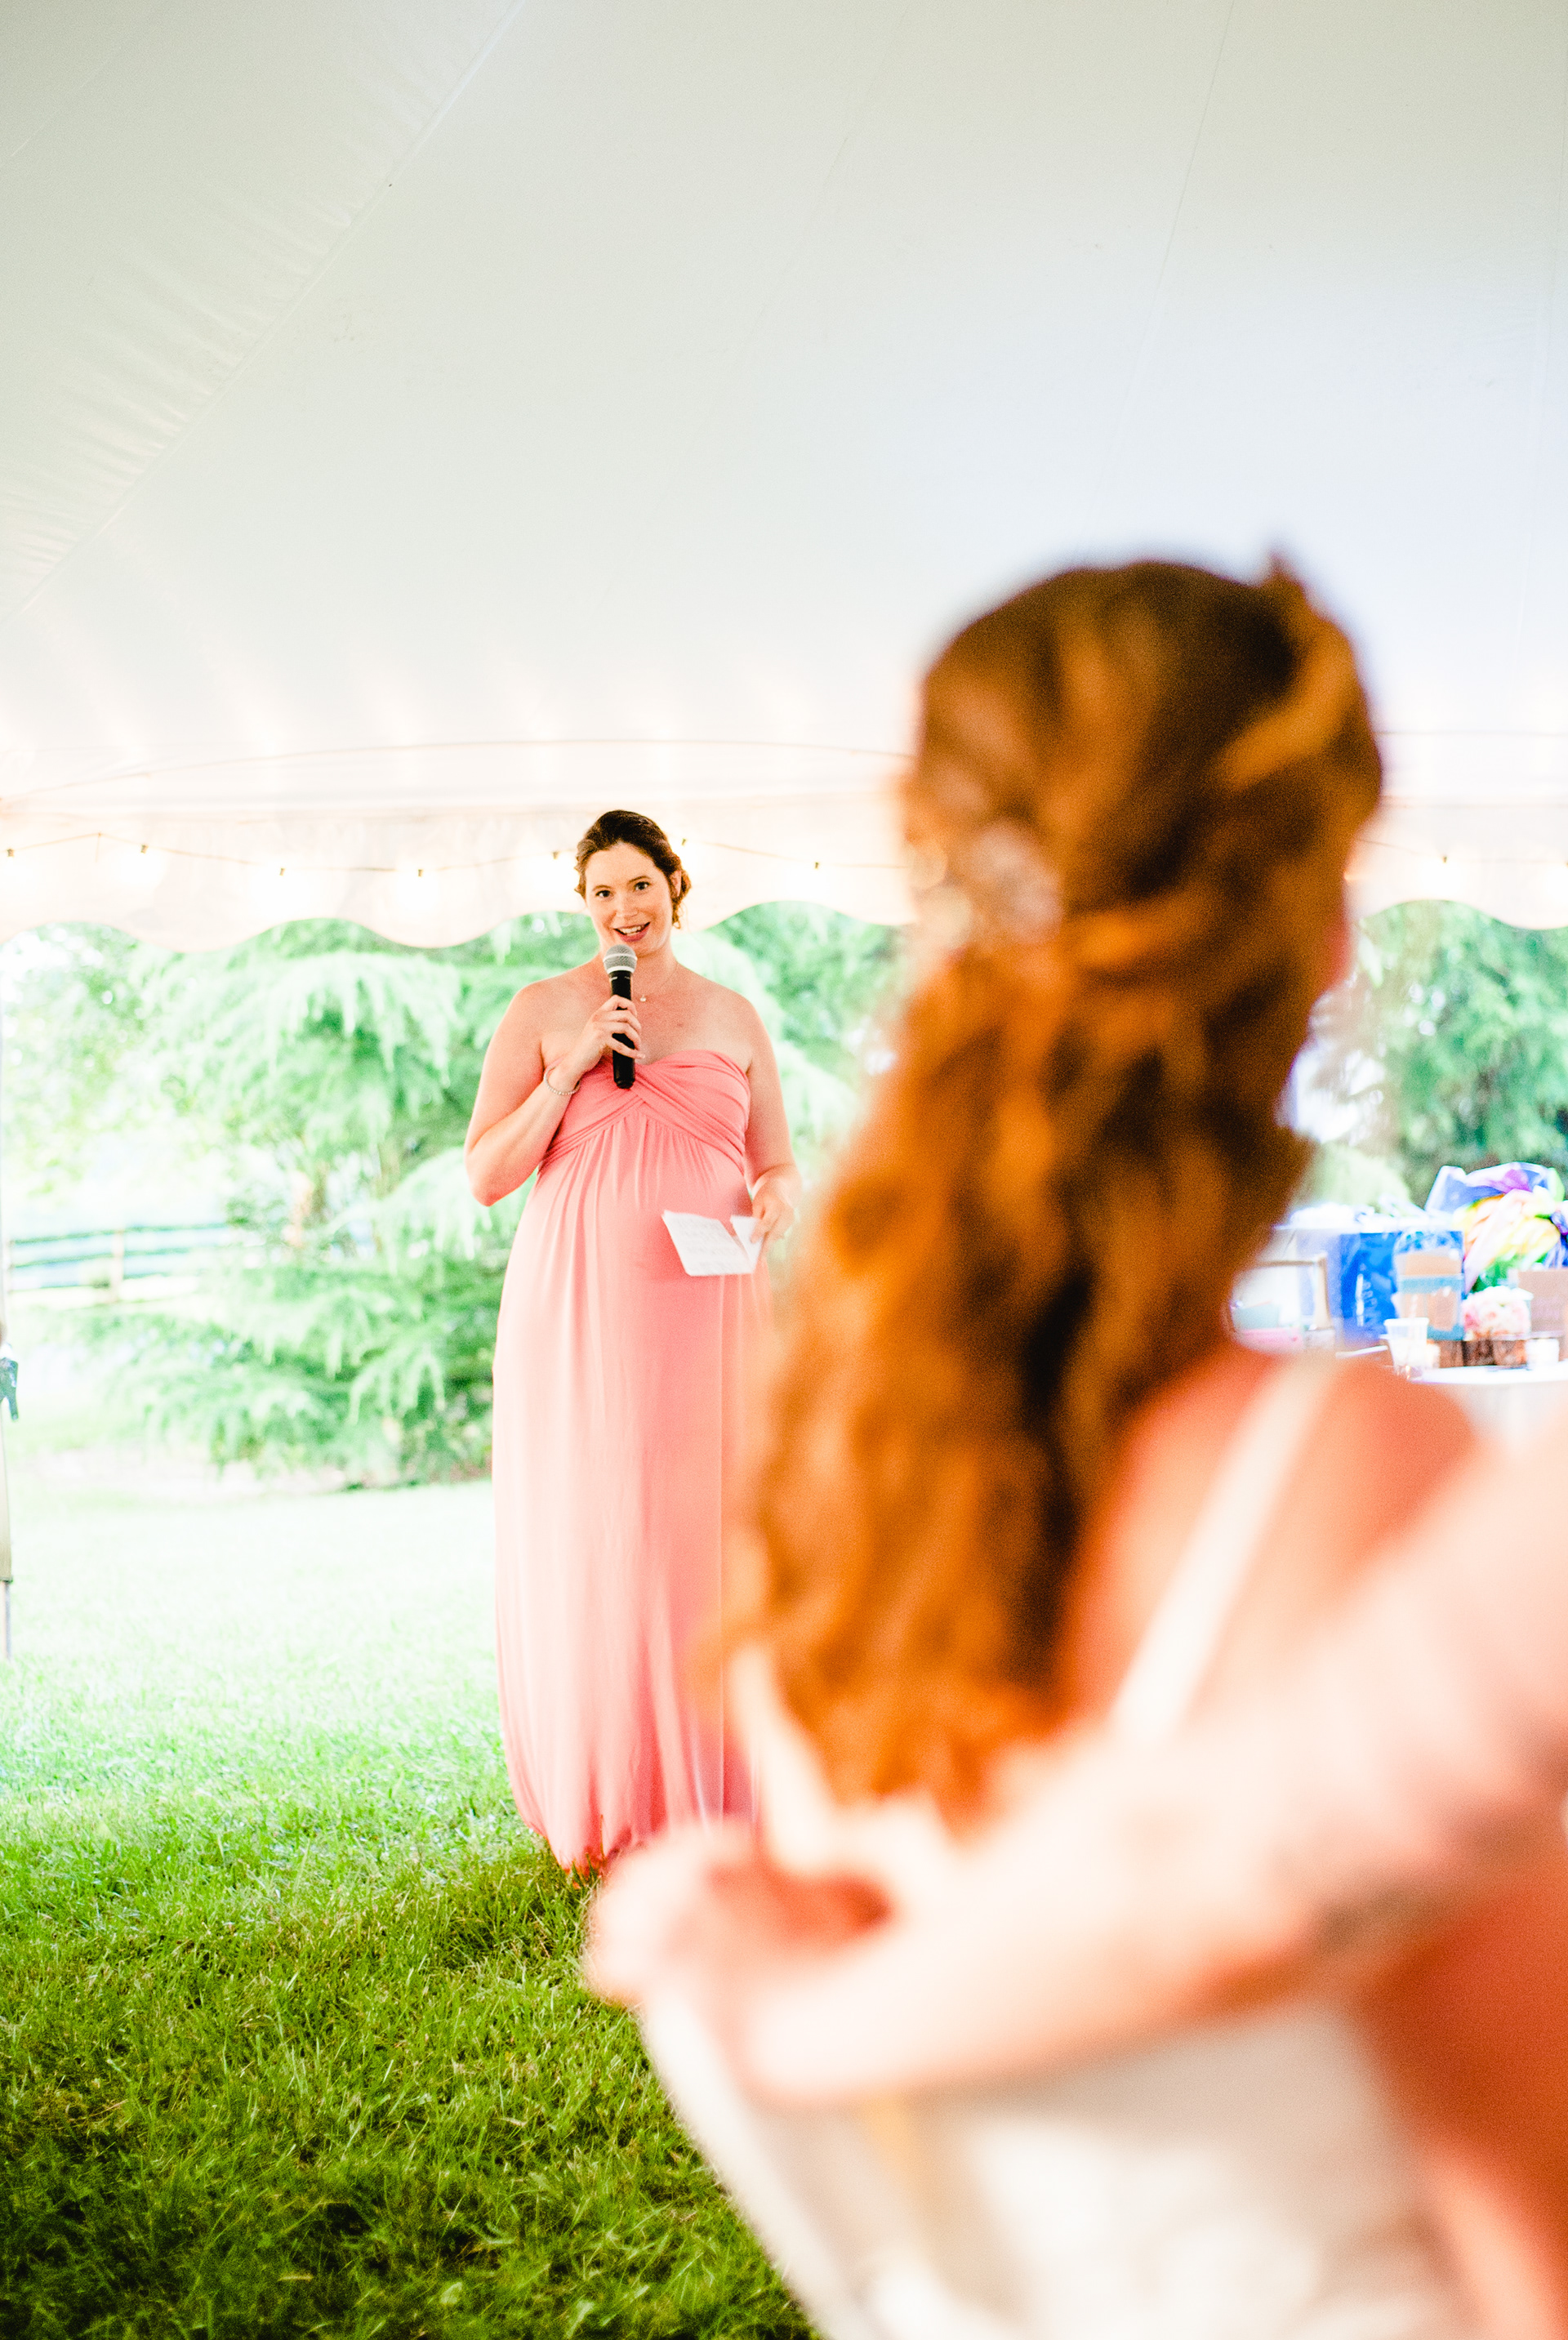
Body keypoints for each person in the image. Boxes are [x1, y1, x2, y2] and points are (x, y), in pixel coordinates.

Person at [590, 565, 1568, 2335]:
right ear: (1321, 936)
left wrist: (767, 2016)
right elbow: (1529, 2213)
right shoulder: (1350, 1463)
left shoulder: (831, 1452)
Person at [466, 809, 800, 1872]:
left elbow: (776, 1162)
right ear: (584, 904)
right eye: (603, 892)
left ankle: (722, 1781)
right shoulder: (540, 1009)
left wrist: (776, 1197)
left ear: (675, 887)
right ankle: (613, 1789)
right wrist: (567, 1070)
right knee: (602, 1525)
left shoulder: (733, 1015)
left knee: (704, 1524)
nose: (624, 910)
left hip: (710, 1304)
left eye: (640, 887)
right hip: (581, 1309)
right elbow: (486, 1174)